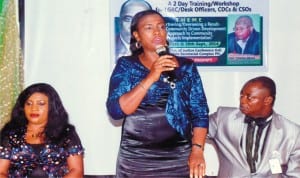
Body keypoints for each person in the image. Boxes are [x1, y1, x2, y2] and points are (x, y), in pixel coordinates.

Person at [106, 10, 209, 178]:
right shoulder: (126, 66)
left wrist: (198, 151)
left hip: (179, 157)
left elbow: (200, 113)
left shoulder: (186, 67)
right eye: (149, 27)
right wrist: (151, 76)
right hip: (137, 159)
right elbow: (116, 111)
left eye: (161, 26)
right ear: (137, 36)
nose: (157, 31)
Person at [208, 76, 300, 177]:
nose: (242, 101)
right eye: (241, 95)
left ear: (267, 100)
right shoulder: (223, 118)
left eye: (249, 97)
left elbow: (295, 174)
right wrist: (197, 149)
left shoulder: (292, 133)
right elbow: (194, 129)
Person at [0, 83, 84, 178]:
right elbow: (1, 172)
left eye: (41, 104)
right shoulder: (10, 134)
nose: (34, 108)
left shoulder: (66, 133)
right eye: (29, 103)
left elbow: (76, 171)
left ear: (52, 107)